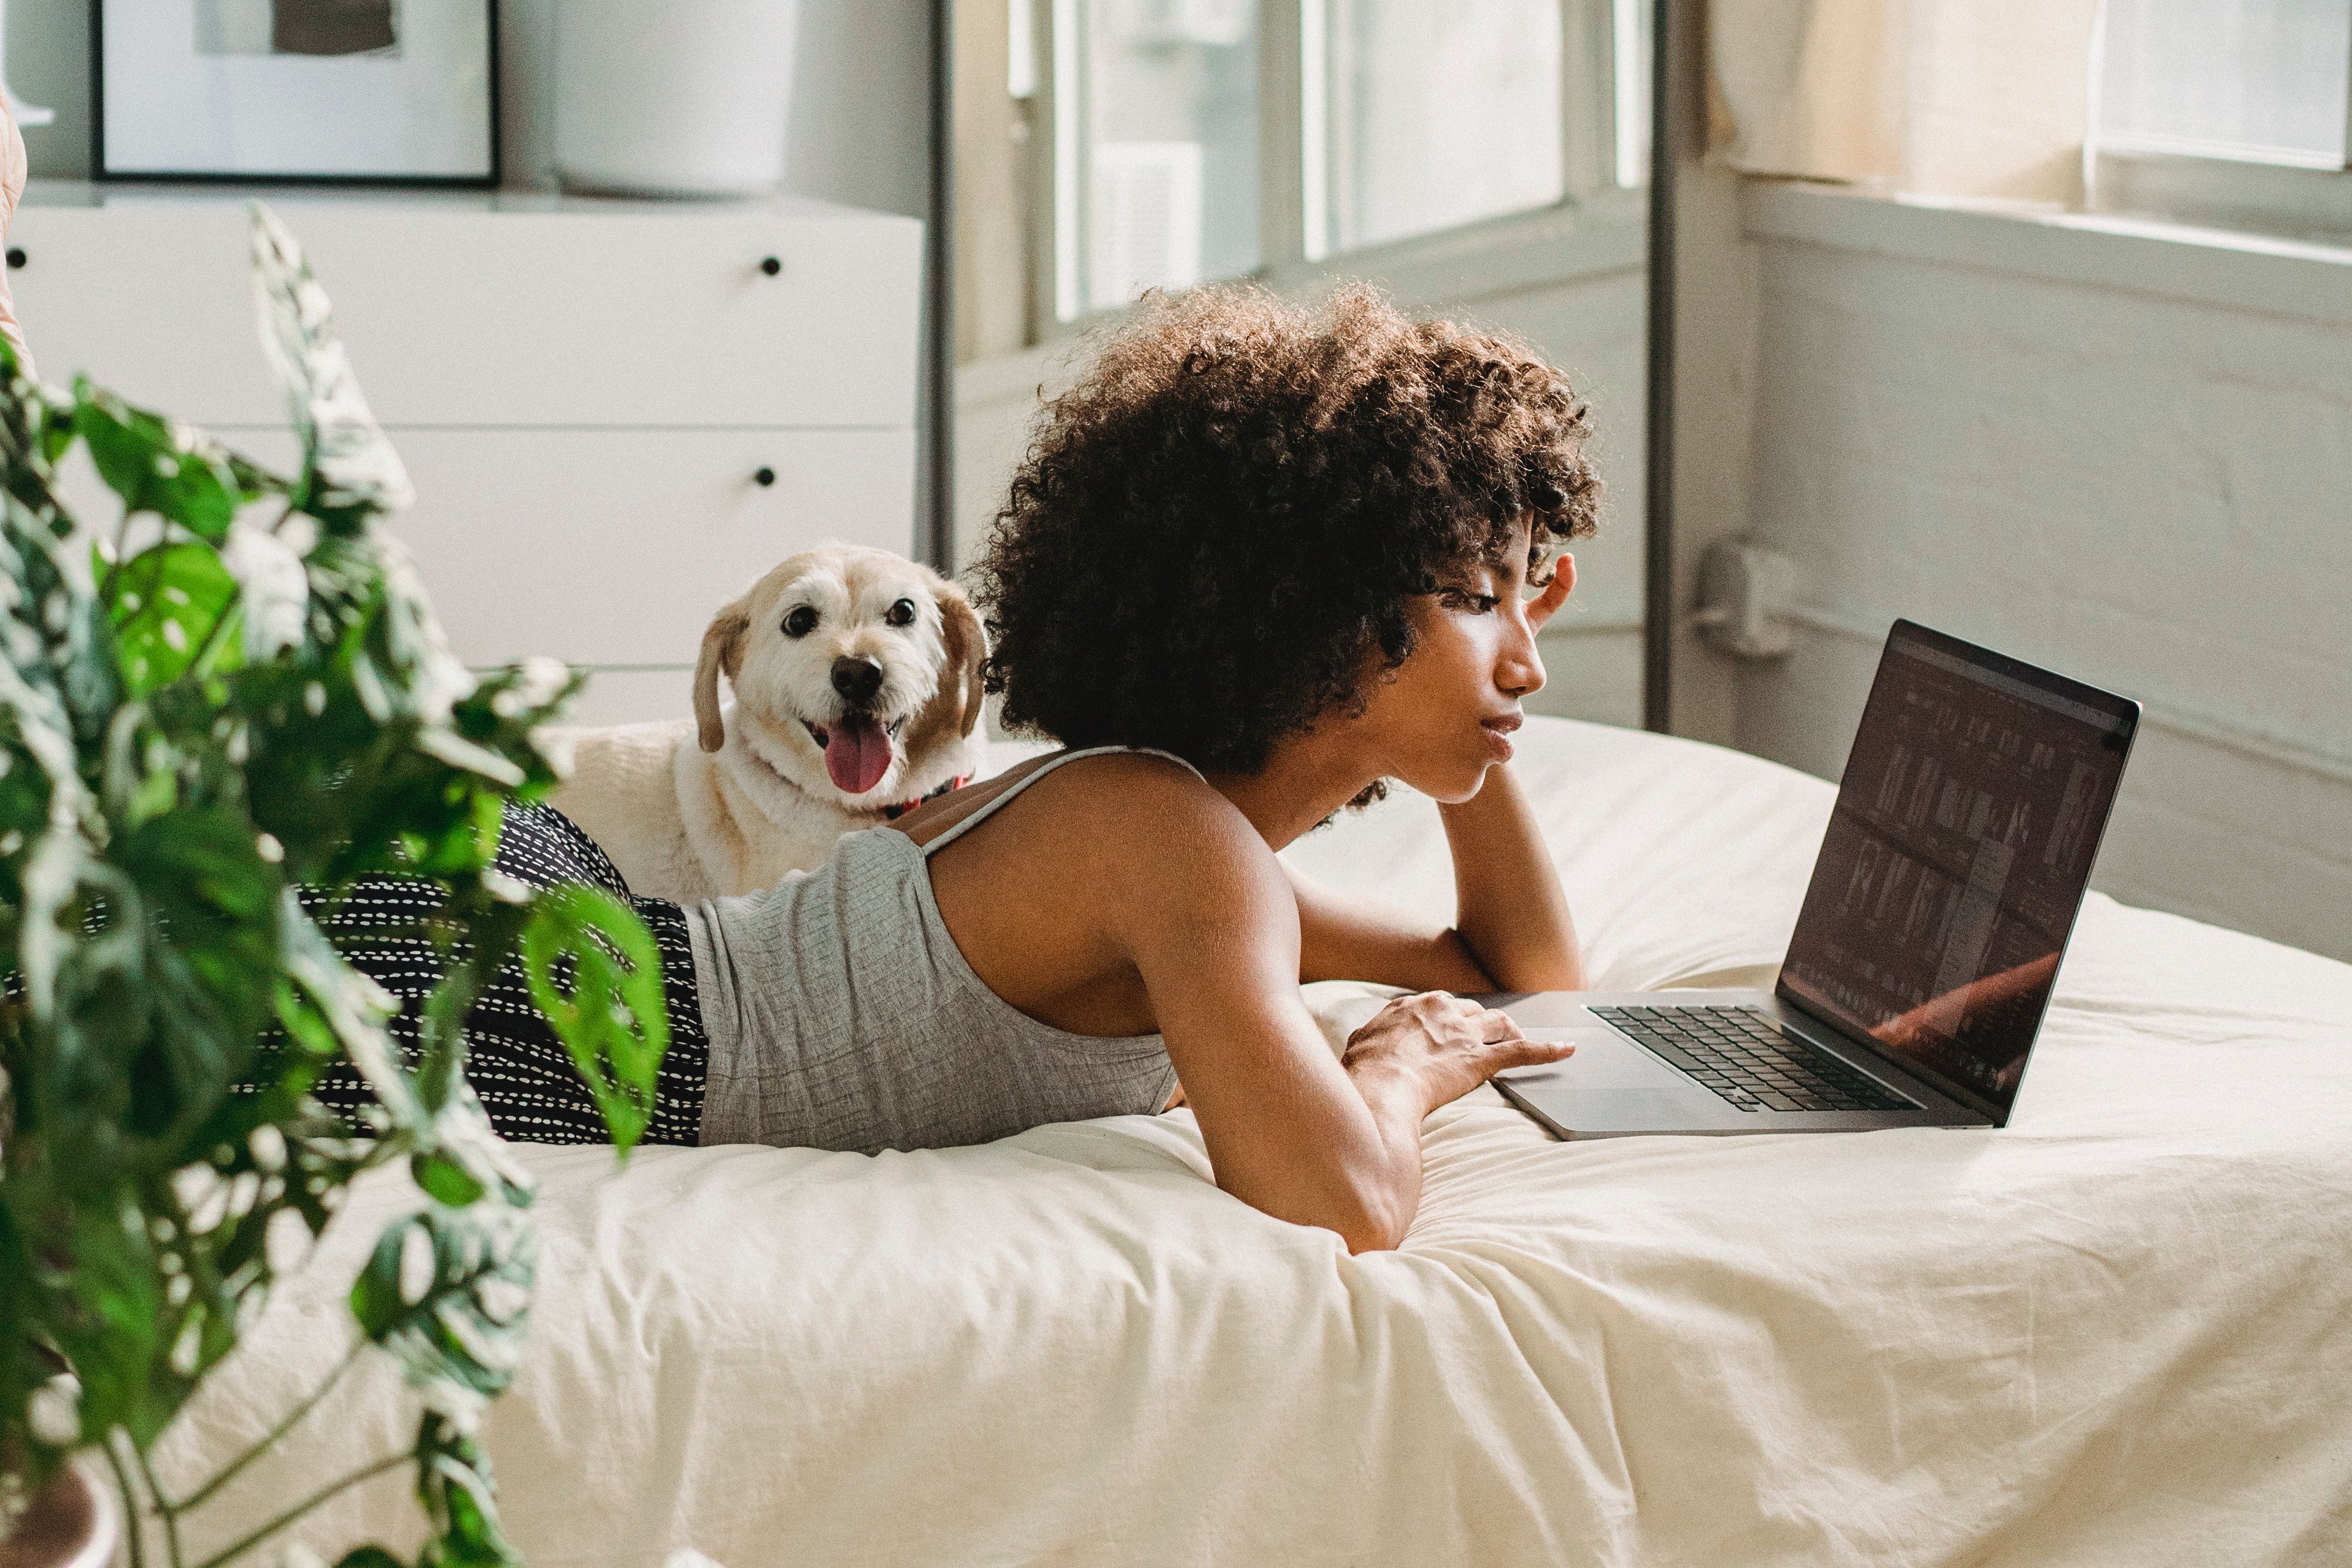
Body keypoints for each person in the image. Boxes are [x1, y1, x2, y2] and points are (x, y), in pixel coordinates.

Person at [314, 281, 1599, 1254]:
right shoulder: (1169, 846)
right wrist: (1395, 1065)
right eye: (1479, 598)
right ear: (1317, 607)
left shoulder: (1174, 843)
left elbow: (1521, 981)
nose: (1526, 660)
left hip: (567, 948)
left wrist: (1483, 703)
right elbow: (1349, 1203)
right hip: (538, 997)